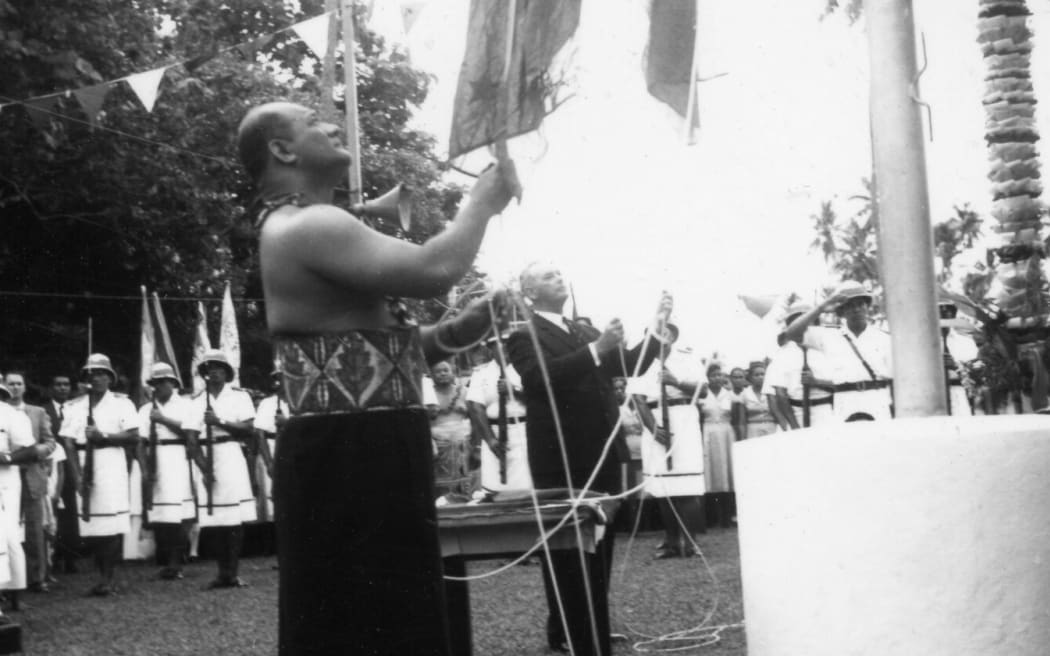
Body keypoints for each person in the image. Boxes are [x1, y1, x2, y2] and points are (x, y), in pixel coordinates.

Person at [238, 99, 517, 655]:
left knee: (372, 614)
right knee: (374, 617)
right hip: (351, 450)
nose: (330, 125)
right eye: (312, 122)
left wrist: (464, 328)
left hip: (357, 446)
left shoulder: (304, 224)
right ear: (282, 150)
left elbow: (389, 351)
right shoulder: (307, 223)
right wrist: (481, 203)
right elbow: (434, 268)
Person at [505, 261, 672, 656]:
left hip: (603, 450)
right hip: (562, 454)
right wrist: (598, 348)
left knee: (600, 543)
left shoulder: (581, 329)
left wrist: (656, 328)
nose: (559, 278)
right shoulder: (523, 332)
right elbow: (540, 377)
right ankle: (567, 631)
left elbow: (627, 365)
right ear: (530, 293)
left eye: (560, 273)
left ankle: (593, 629)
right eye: (548, 276)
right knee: (567, 547)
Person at [58, 353, 140, 596]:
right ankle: (100, 575)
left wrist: (104, 435)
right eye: (91, 374)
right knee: (91, 524)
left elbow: (134, 435)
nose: (97, 378)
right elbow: (68, 442)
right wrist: (76, 474)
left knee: (111, 523)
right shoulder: (74, 406)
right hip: (84, 461)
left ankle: (108, 578)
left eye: (102, 373)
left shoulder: (122, 403)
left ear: (110, 378)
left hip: (110, 460)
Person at [182, 349, 256, 589]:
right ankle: (221, 572)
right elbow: (191, 438)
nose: (214, 372)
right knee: (213, 520)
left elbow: (248, 429)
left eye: (219, 368)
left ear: (227, 372)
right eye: (209, 368)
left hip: (231, 455)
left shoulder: (239, 397)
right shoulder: (195, 402)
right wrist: (203, 468)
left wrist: (220, 421)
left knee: (234, 520)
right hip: (207, 458)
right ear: (204, 373)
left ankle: (232, 572)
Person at [632, 337, 705, 559]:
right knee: (663, 487)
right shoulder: (640, 360)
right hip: (654, 420)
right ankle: (672, 541)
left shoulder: (688, 358)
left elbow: (702, 391)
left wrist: (676, 381)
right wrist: (653, 428)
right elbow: (638, 398)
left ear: (673, 336)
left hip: (683, 418)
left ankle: (690, 542)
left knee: (687, 485)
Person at [784, 280, 893, 421]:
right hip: (844, 401)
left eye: (860, 304)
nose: (856, 309)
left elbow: (895, 380)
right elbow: (792, 333)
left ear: (867, 306)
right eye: (850, 306)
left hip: (878, 398)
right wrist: (822, 307)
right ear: (841, 311)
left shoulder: (884, 338)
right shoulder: (829, 335)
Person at [138, 363, 195, 580]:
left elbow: (189, 431)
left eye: (164, 381)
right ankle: (166, 560)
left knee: (178, 514)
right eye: (155, 382)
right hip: (155, 459)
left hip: (177, 457)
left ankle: (176, 562)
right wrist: (144, 468)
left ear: (173, 382)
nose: (159, 386)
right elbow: (140, 441)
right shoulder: (145, 409)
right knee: (160, 514)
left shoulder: (185, 405)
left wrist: (162, 419)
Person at [4, 371, 57, 593]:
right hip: (6, 476)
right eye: (11, 384)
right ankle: (9, 582)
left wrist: (38, 451)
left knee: (35, 529)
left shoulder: (37, 412)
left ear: (25, 387)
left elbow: (50, 442)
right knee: (7, 529)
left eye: (19, 384)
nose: (15, 388)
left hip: (32, 473)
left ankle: (38, 577)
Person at [466, 352, 532, 493]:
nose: (502, 348)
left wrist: (514, 391)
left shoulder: (526, 367)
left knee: (524, 488)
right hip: (494, 434)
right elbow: (476, 407)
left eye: (506, 342)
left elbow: (537, 398)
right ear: (489, 348)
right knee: (493, 489)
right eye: (496, 343)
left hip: (523, 432)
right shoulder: (481, 373)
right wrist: (490, 440)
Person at [763, 303, 836, 430]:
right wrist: (794, 426)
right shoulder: (782, 356)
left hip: (825, 411)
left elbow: (841, 384)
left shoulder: (827, 351)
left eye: (808, 321)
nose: (804, 326)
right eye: (797, 321)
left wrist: (817, 382)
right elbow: (780, 394)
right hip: (796, 413)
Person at [0, 382, 34, 615]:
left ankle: (13, 596)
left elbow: (30, 450)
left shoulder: (12, 415)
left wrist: (8, 457)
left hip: (5, 484)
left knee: (8, 538)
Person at [44, 374, 80, 574]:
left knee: (72, 514)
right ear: (51, 388)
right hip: (55, 467)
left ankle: (71, 557)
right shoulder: (44, 410)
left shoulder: (77, 409)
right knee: (55, 513)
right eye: (58, 384)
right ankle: (54, 556)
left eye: (66, 384)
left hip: (74, 465)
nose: (62, 388)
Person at [426, 360, 475, 499]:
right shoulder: (428, 395)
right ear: (431, 375)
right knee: (442, 490)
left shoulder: (464, 392)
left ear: (452, 372)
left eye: (445, 370)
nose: (442, 374)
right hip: (439, 447)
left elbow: (475, 419)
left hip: (464, 445)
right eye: (438, 371)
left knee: (467, 486)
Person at [696, 363, 736, 528]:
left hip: (726, 433)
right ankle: (711, 517)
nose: (717, 378)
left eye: (720, 375)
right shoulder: (701, 396)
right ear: (707, 378)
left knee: (727, 471)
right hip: (708, 433)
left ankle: (728, 516)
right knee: (710, 472)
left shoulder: (730, 395)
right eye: (713, 375)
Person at [252, 369, 285, 552]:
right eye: (277, 379)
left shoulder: (300, 400)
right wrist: (269, 461)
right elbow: (260, 433)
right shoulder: (267, 403)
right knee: (273, 500)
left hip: (294, 445)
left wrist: (286, 422)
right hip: (273, 445)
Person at [938, 300, 978, 417]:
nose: (945, 312)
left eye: (949, 311)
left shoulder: (962, 336)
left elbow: (968, 325)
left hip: (962, 387)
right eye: (941, 311)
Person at [735, 361, 777, 439]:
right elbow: (742, 421)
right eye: (756, 375)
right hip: (752, 431)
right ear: (750, 377)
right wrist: (743, 438)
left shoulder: (772, 392)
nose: (760, 377)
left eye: (762, 374)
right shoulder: (744, 394)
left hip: (771, 429)